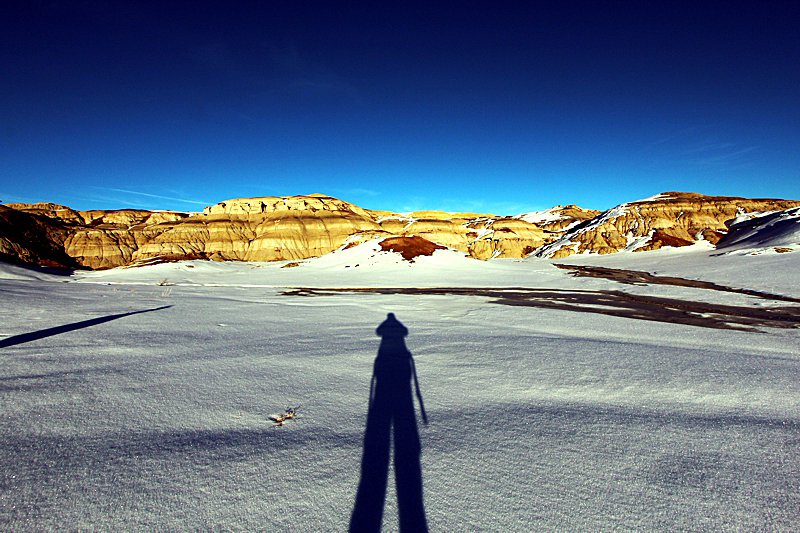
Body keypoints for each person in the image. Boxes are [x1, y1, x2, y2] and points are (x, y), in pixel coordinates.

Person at [349, 313, 428, 533]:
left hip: (386, 381)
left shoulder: (385, 345)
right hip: (400, 383)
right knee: (403, 418)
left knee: (383, 423)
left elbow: (379, 333)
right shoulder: (402, 346)